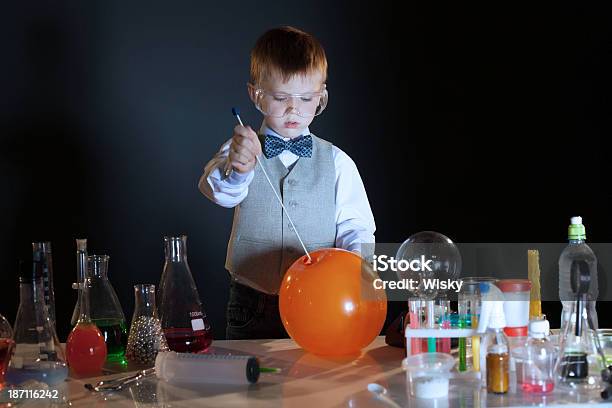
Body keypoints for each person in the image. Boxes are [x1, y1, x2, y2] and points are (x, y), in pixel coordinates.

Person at [199, 26, 375, 339]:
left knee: (311, 381)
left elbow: (355, 227)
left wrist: (354, 275)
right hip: (252, 302)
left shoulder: (337, 161)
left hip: (319, 302)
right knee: (251, 385)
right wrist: (239, 169)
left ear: (322, 96)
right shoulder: (242, 148)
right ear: (256, 95)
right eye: (281, 97)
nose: (294, 109)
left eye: (307, 98)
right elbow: (220, 193)